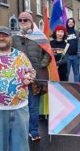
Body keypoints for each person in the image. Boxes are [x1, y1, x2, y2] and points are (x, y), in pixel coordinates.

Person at [12, 11, 59, 142]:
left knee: (33, 106)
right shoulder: (15, 38)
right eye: (20, 20)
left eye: (25, 20)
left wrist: (41, 65)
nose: (22, 23)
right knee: (20, 107)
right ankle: (21, 131)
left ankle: (33, 131)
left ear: (31, 22)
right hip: (18, 78)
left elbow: (48, 54)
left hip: (36, 77)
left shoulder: (40, 37)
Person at [65, 18, 80, 82]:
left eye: (72, 22)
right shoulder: (64, 32)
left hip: (76, 56)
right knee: (67, 73)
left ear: (74, 24)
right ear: (67, 23)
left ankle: (77, 87)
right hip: (67, 56)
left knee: (76, 73)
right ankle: (65, 86)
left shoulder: (77, 32)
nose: (70, 23)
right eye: (69, 22)